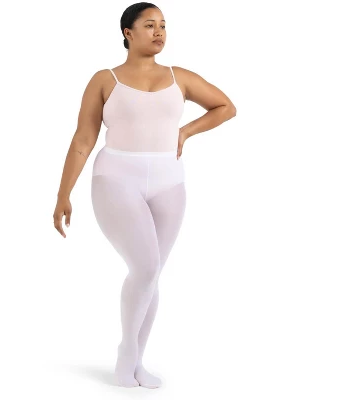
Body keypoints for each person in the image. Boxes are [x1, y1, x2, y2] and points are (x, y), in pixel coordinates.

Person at [53, 2, 236, 389]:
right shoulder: (105, 80)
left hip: (170, 182)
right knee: (146, 267)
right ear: (128, 33)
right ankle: (127, 354)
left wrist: (185, 132)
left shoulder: (180, 77)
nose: (159, 32)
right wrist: (63, 194)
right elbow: (83, 138)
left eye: (164, 26)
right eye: (150, 25)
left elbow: (226, 107)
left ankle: (137, 361)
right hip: (116, 178)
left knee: (151, 274)